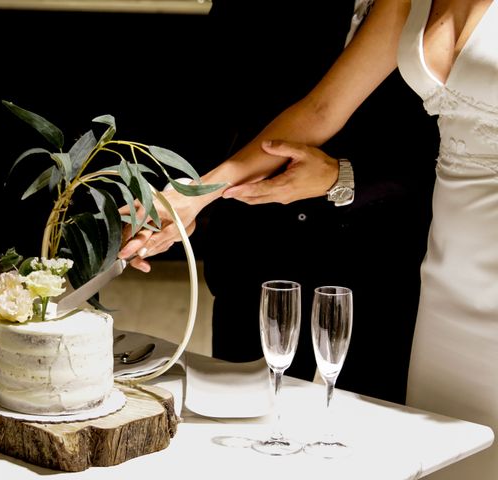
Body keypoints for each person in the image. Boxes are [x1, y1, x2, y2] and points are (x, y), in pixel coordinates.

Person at [120, 0, 498, 477]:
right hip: (447, 264)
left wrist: (343, 177)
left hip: (453, 250)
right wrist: (193, 196)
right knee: (447, 445)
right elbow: (320, 109)